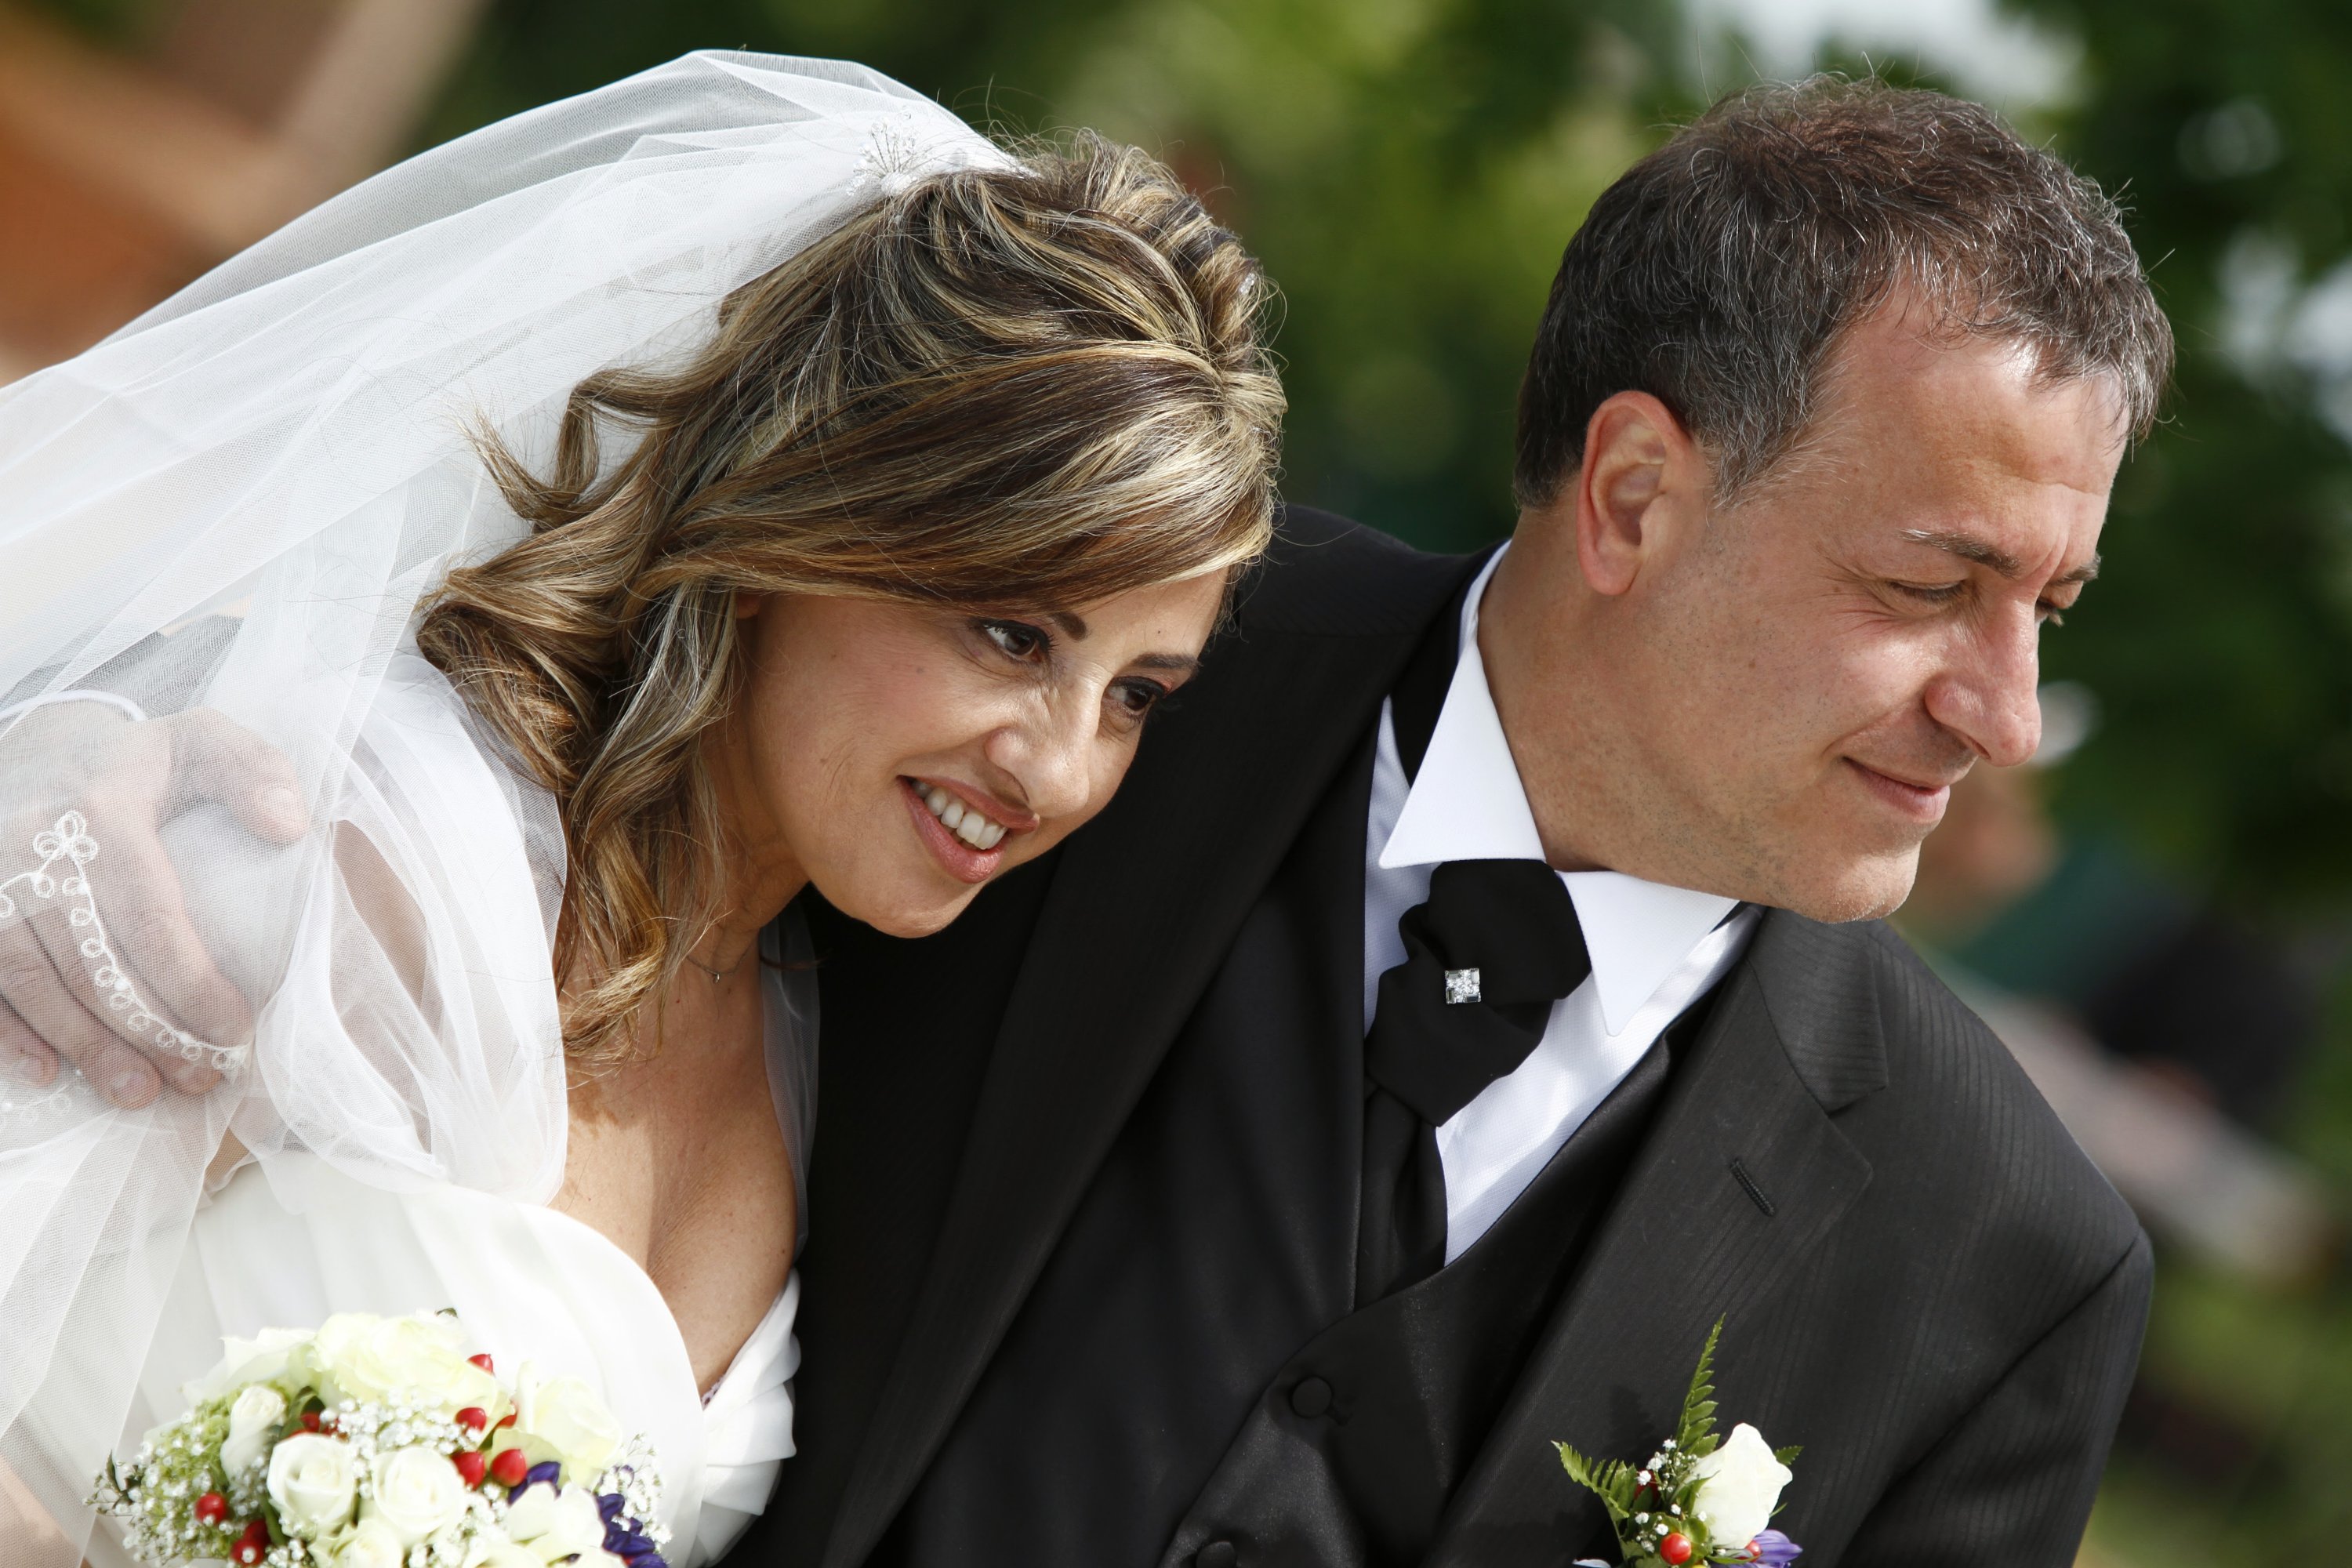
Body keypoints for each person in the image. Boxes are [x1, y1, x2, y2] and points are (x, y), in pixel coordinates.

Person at [746, 79, 2172, 1567]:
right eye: (1930, 588)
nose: (2007, 719)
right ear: (1632, 496)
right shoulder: (1079, 674)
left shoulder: (2011, 1272)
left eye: (2048, 610)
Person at [0, 55, 1280, 1568]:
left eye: (1137, 694)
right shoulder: (356, 862)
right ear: (799, 527)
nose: (1060, 771)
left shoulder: (819, 1012)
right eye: (1012, 637)